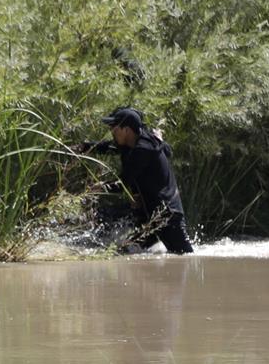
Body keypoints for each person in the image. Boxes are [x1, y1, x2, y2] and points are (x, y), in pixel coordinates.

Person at [77, 107, 193, 254]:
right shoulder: (130, 144)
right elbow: (107, 147)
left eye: (114, 127)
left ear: (126, 130)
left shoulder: (143, 149)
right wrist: (83, 147)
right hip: (148, 213)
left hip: (166, 215)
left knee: (185, 258)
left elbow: (123, 184)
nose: (111, 131)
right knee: (130, 252)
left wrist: (100, 187)